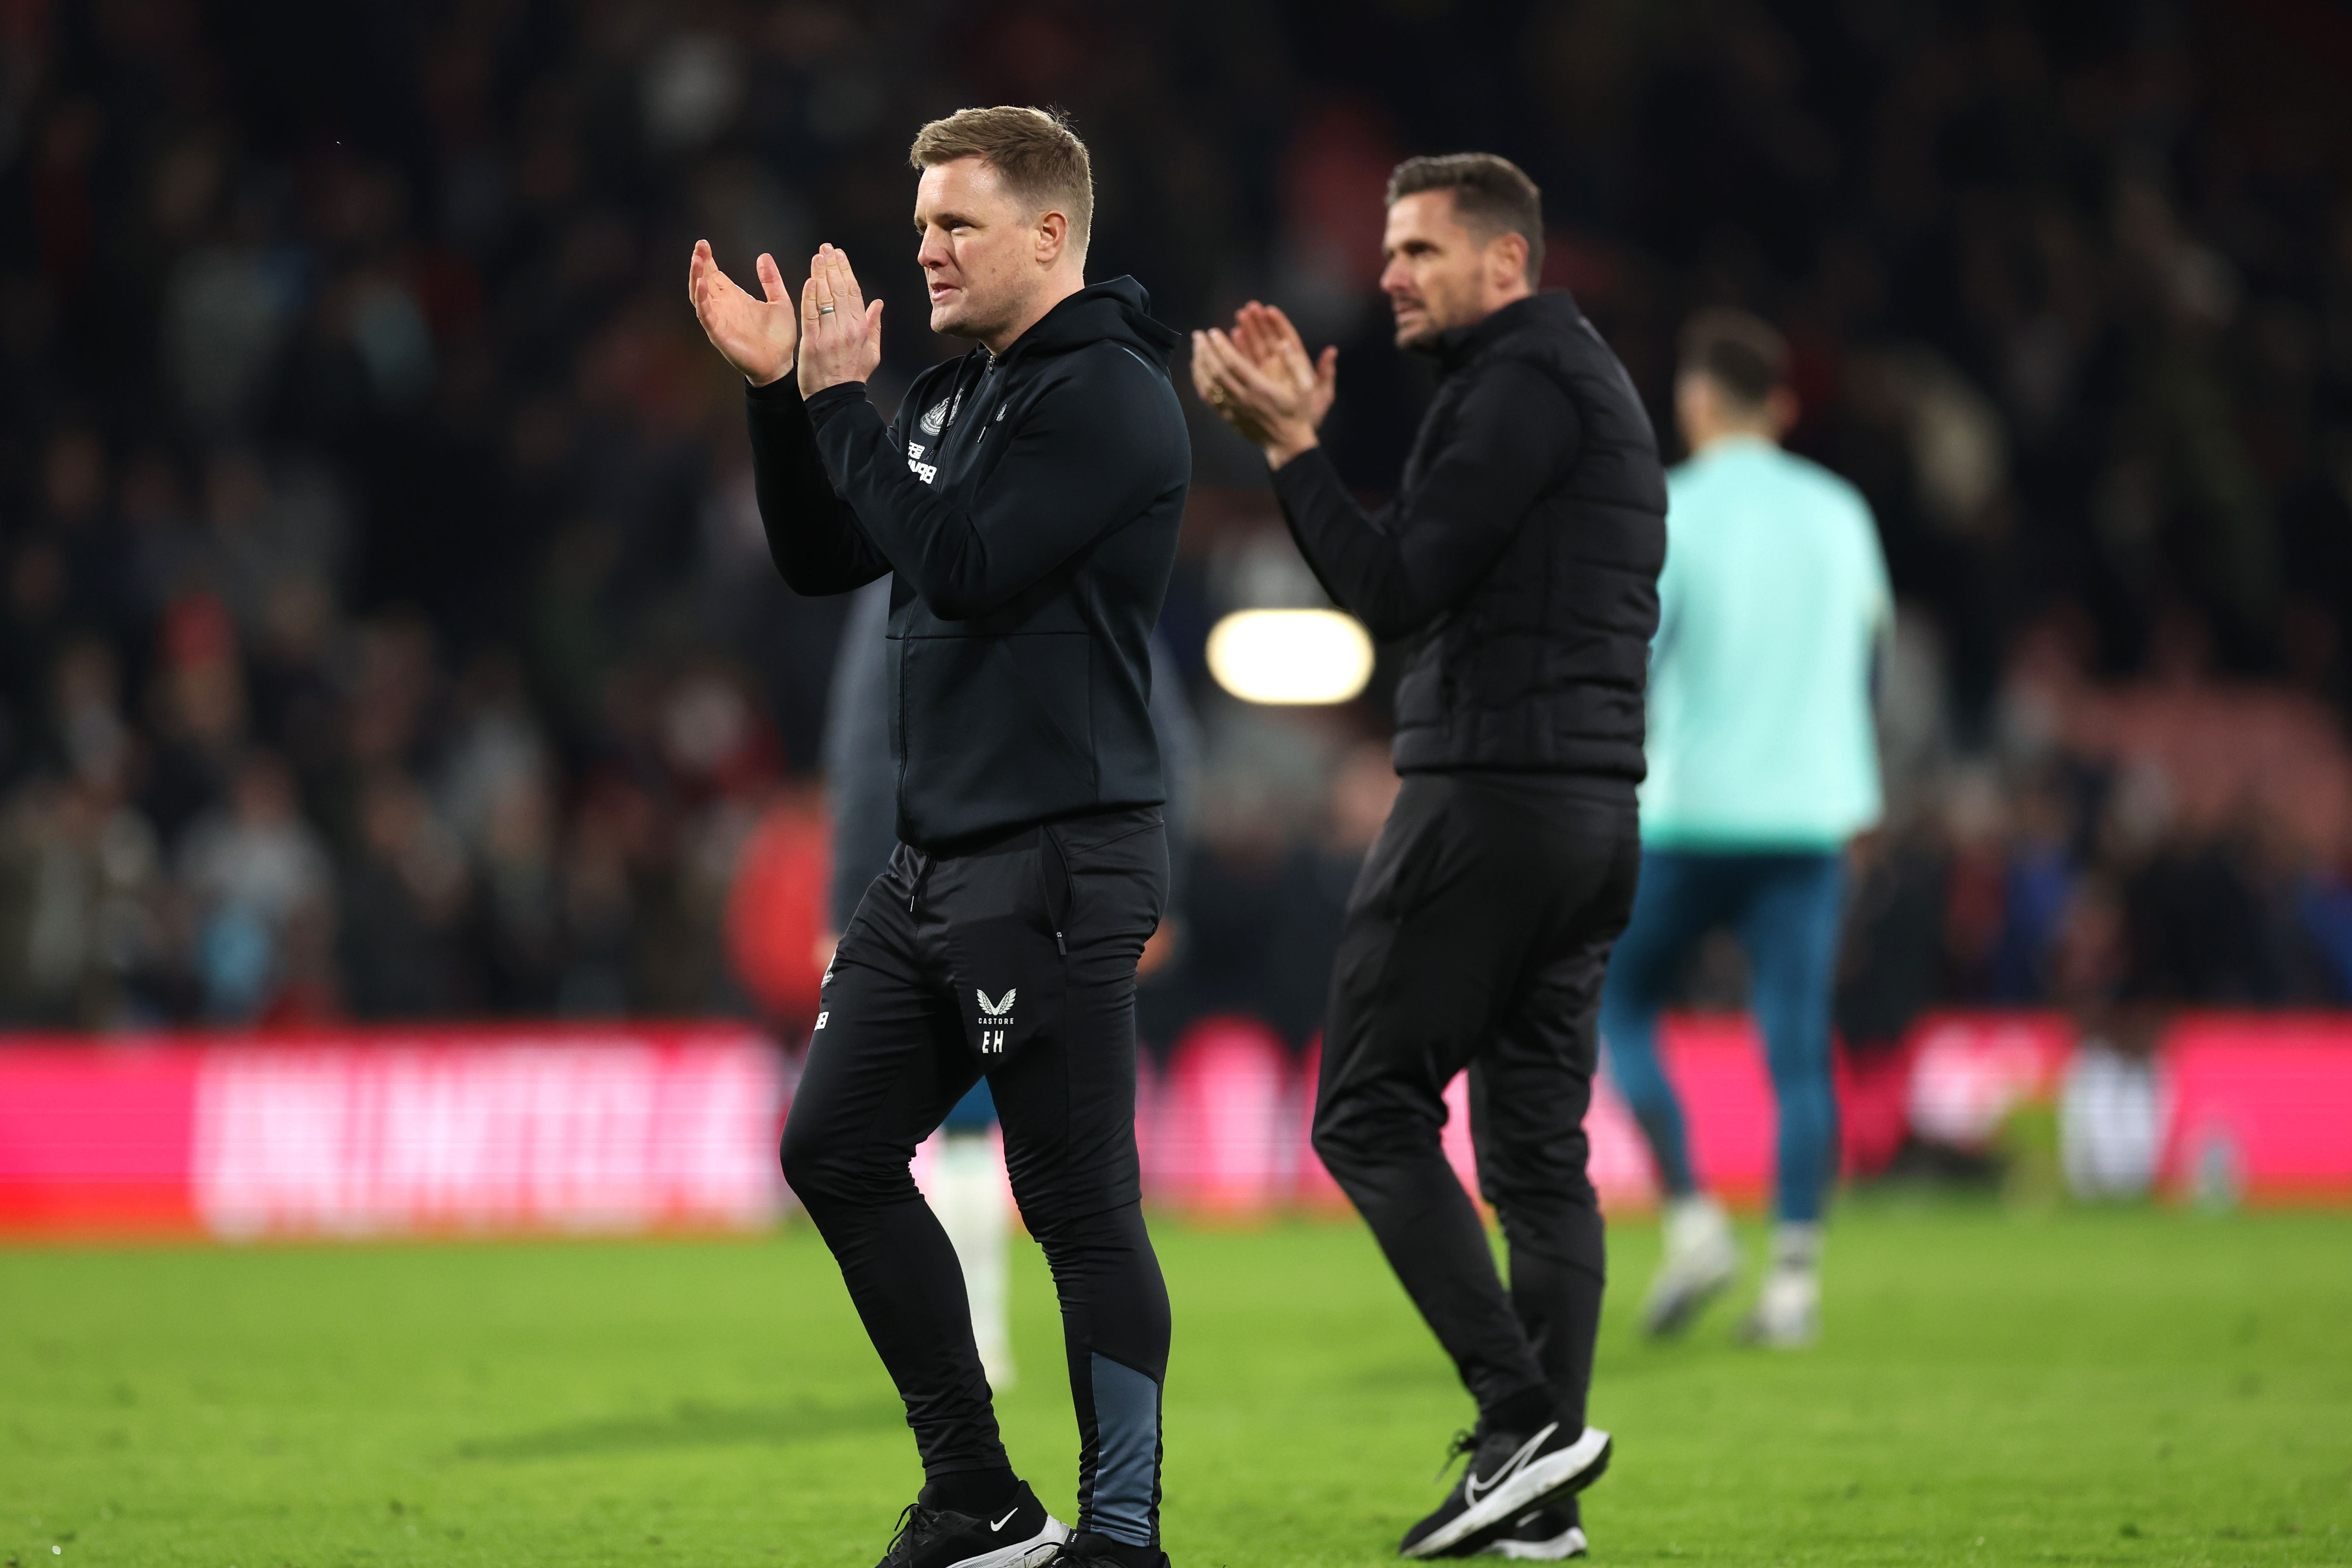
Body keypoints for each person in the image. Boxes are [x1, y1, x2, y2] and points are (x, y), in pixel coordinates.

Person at [689, 106, 1190, 1568]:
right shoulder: (956, 396)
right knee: (831, 1146)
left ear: (1050, 232)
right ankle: (976, 1489)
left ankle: (1119, 1532)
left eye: (956, 224)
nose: (926, 249)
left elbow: (963, 566)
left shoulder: (1105, 394)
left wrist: (843, 407)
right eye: (919, 225)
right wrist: (787, 398)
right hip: (931, 863)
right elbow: (822, 554)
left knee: (1075, 1205)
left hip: (1053, 859)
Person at [1193, 152, 1665, 1562]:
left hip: (1486, 802)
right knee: (1533, 1154)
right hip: (1590, 813)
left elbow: (1394, 587)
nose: (1387, 272)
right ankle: (1538, 1507)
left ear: (1503, 265)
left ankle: (1519, 1422)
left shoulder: (1517, 386)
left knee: (1365, 1109)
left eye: (1417, 250)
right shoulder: (1577, 386)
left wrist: (1287, 449)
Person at [821, 578, 1203, 1395]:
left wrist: (848, 894)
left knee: (965, 1134)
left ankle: (981, 1340)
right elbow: (1163, 730)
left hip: (951, 881)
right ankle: (1115, 1421)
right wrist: (1160, 887)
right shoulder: (1094, 550)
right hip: (1080, 880)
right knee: (1080, 1153)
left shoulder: (910, 567)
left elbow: (865, 741)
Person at [1595, 308, 1891, 1349]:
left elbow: (1635, 663)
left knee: (1617, 1001)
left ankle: (1692, 1220)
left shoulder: (1671, 508)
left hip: (1688, 813)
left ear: (1696, 402)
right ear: (1787, 406)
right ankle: (1795, 1290)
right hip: (1811, 820)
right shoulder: (1843, 513)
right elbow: (1871, 666)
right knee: (1798, 1048)